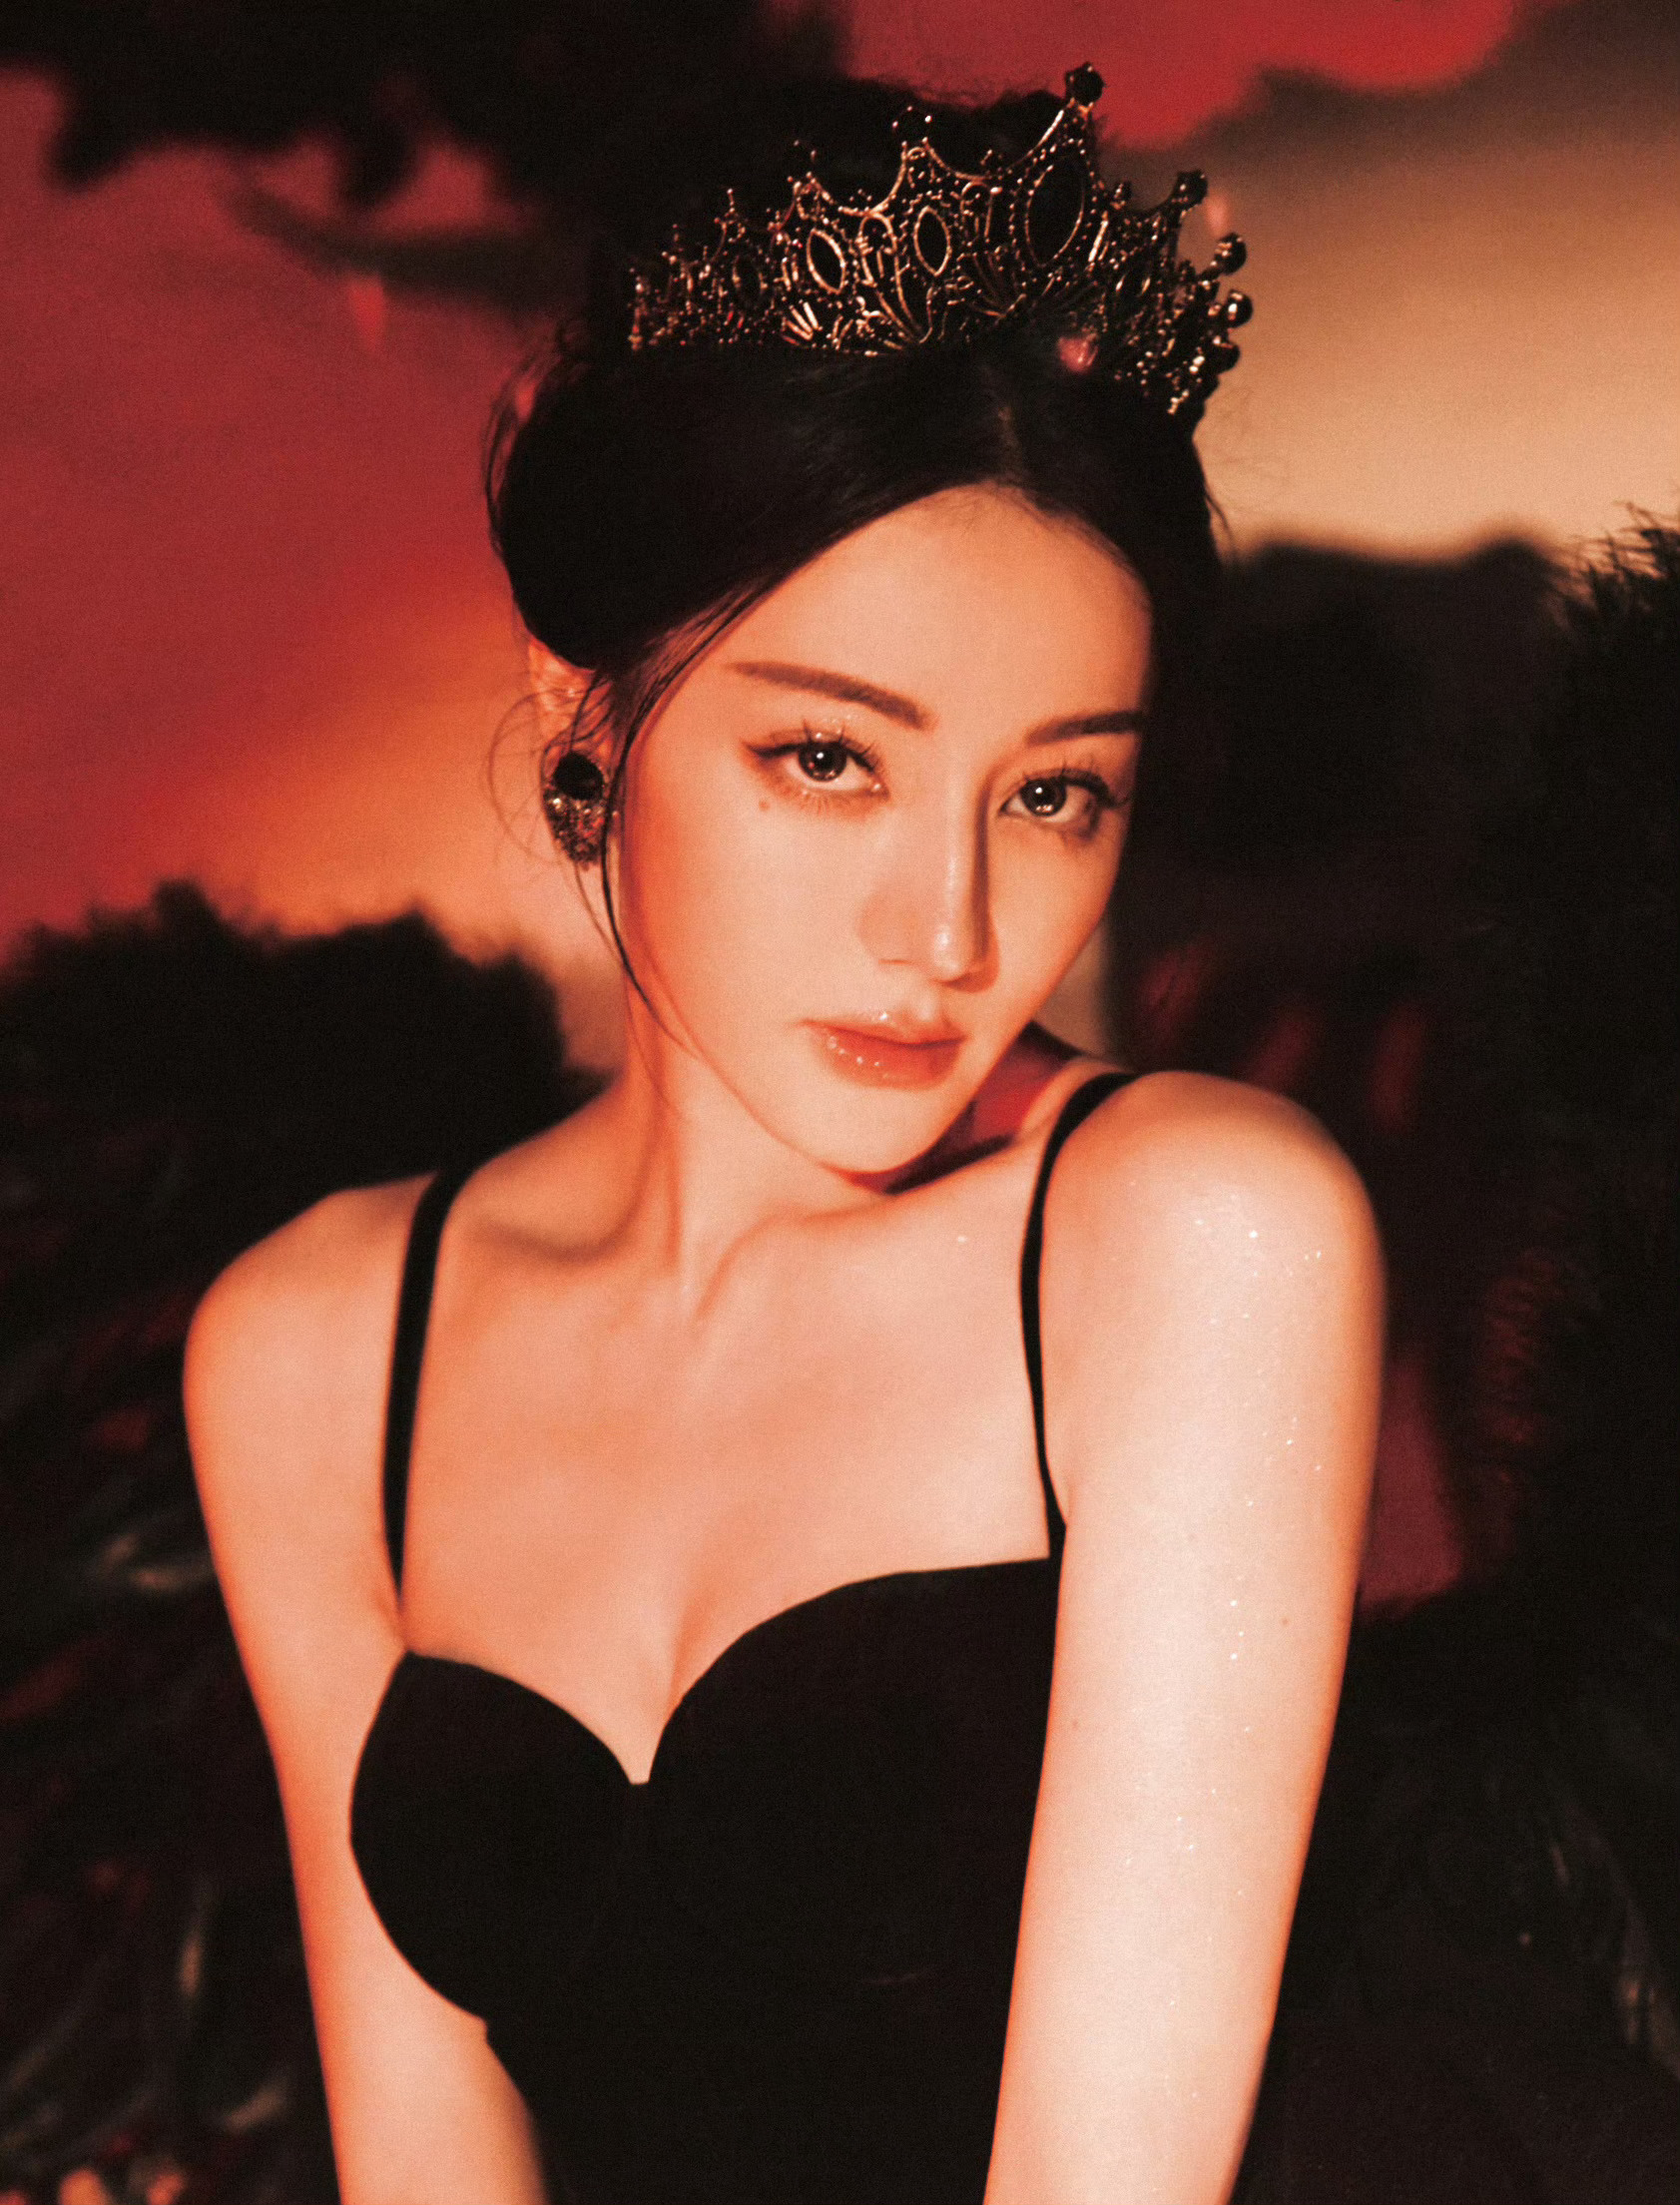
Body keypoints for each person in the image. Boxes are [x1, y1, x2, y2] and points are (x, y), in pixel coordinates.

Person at [183, 68, 1383, 2205]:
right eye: (830, 758)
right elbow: (423, 2162)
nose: (949, 932)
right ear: (585, 716)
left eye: (1054, 793)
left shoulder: (1194, 1237)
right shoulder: (315, 1348)